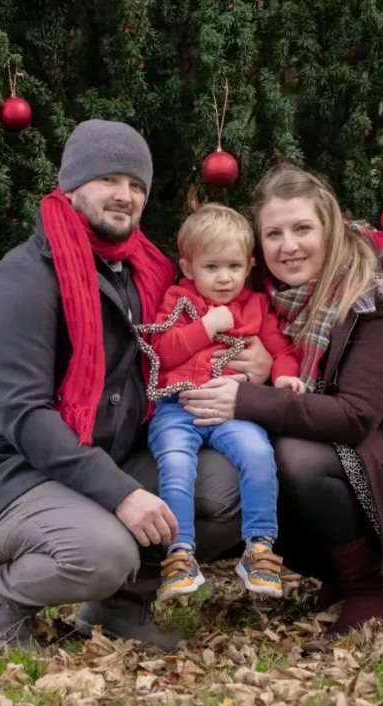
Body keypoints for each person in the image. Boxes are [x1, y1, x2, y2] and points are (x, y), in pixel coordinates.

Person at [0, 120, 273, 652]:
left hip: (116, 456)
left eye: (137, 185)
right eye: (109, 179)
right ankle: (5, 596)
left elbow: (205, 331)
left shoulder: (146, 274)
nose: (125, 196)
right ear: (72, 185)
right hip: (17, 475)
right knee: (103, 554)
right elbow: (26, 415)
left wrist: (254, 359)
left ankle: (117, 610)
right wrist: (122, 494)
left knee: (235, 484)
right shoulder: (21, 281)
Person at [179, 164, 383, 635]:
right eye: (273, 233)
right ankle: (341, 573)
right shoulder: (264, 302)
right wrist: (256, 372)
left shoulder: (374, 299)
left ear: (330, 229)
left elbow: (355, 416)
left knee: (293, 457)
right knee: (249, 457)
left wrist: (247, 396)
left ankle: (371, 586)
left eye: (303, 229)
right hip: (357, 458)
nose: (289, 246)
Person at [146, 204, 304, 602]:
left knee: (257, 452)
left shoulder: (254, 305)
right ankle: (180, 554)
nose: (224, 278)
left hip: (233, 409)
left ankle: (260, 548)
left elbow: (278, 346)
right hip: (178, 406)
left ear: (250, 265)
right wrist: (205, 328)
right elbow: (161, 351)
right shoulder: (178, 300)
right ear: (188, 267)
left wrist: (284, 373)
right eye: (212, 267)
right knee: (177, 463)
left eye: (234, 266)